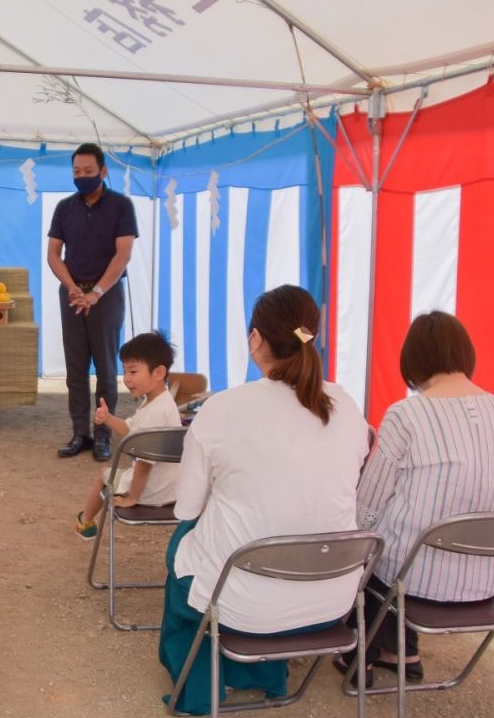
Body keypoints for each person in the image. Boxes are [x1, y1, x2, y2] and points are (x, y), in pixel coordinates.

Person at [159, 285, 367, 714]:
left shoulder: (224, 408)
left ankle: (200, 694)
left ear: (255, 339)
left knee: (183, 546)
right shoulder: (345, 404)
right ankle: (263, 675)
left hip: (241, 605)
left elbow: (188, 507)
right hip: (332, 599)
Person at [336, 311, 494, 684]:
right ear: (465, 354)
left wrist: (346, 539)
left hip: (414, 580)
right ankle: (403, 652)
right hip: (484, 579)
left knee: (372, 548)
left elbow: (370, 501)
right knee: (406, 538)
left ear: (413, 360)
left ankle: (362, 655)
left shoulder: (407, 414)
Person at [48, 142, 138, 462]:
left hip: (107, 294)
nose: (82, 176)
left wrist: (96, 292)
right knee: (75, 368)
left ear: (103, 170)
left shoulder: (121, 206)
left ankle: (103, 434)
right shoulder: (64, 208)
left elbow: (122, 255)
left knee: (105, 365)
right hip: (72, 294)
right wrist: (72, 287)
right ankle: (79, 433)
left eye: (88, 171)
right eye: (76, 171)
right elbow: (53, 255)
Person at [73, 332, 182, 538]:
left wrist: (133, 497)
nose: (127, 379)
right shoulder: (159, 401)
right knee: (113, 472)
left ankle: (85, 522)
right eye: (125, 371)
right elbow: (129, 430)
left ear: (158, 372)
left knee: (103, 475)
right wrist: (108, 418)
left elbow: (144, 463)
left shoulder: (155, 411)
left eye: (133, 371)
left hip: (149, 491)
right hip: (170, 489)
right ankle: (86, 520)